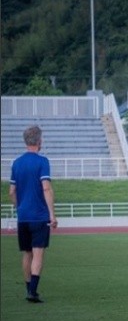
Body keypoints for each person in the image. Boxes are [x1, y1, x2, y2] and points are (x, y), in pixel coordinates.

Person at [10, 125, 57, 303]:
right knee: (38, 254)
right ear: (39, 141)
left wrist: (19, 208)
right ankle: (33, 292)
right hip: (39, 216)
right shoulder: (42, 162)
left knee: (27, 253)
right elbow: (46, 187)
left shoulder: (17, 163)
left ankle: (28, 288)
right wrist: (52, 214)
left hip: (23, 216)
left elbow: (11, 191)